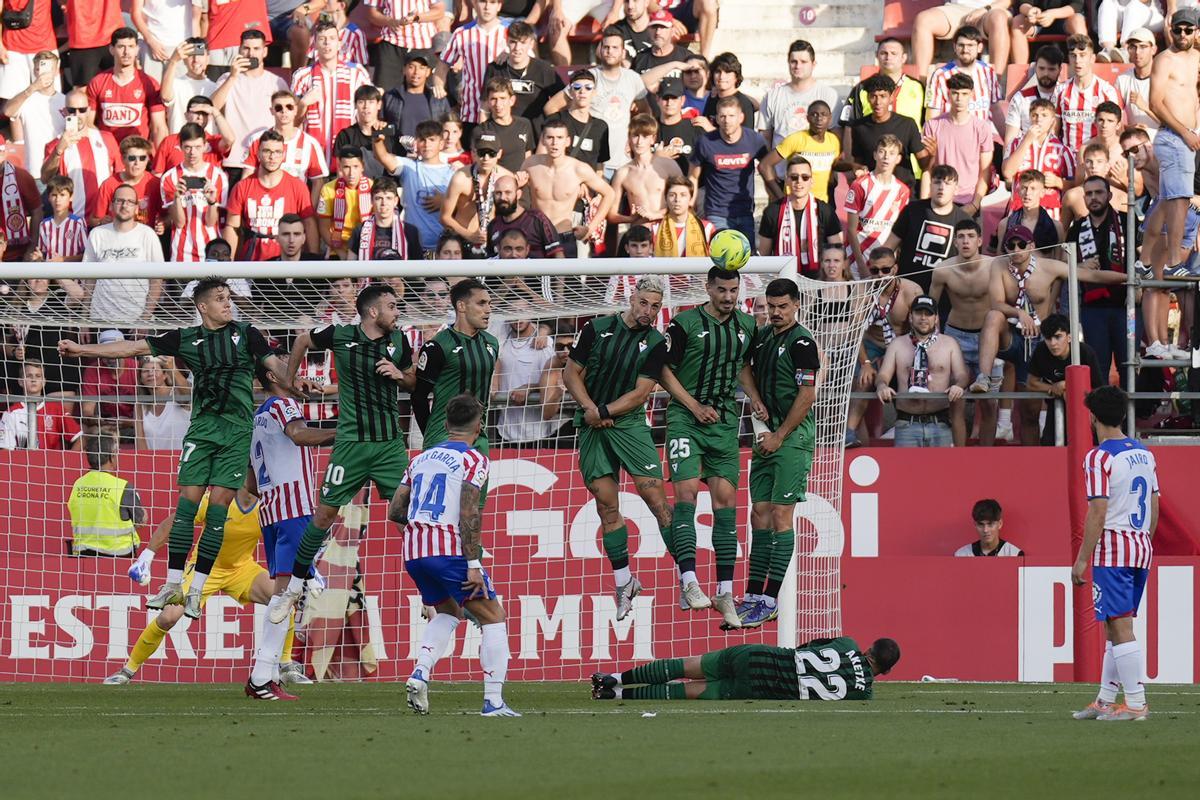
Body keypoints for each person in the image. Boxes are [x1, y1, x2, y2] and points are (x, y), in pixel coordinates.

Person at [58, 278, 295, 619]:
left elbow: (275, 369)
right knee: (186, 507)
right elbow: (132, 348)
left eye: (228, 298)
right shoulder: (185, 338)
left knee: (217, 512)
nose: (228, 304)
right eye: (220, 299)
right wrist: (83, 350)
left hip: (236, 433)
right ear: (203, 307)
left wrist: (297, 383)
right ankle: (173, 584)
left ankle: (196, 590)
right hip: (201, 431)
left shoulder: (248, 334)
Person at [272, 283, 416, 624]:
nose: (398, 312)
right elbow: (304, 340)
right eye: (392, 306)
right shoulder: (340, 334)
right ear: (372, 312)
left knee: (407, 517)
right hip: (350, 444)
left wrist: (400, 375)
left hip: (389, 447)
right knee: (322, 517)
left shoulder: (400, 342)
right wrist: (291, 382)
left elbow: (413, 381)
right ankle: (293, 589)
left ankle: (431, 589)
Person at [105, 485, 304, 698]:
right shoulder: (216, 500)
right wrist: (148, 554)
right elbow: (176, 521)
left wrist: (307, 571)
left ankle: (286, 665)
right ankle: (128, 670)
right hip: (205, 569)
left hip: (242, 568)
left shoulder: (267, 506)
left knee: (283, 599)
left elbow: (288, 540)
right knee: (168, 617)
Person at [391, 393, 520, 717]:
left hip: (414, 550)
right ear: (479, 426)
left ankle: (420, 672)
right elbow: (468, 511)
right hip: (449, 552)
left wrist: (424, 531)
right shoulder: (474, 459)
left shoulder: (420, 459)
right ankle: (493, 702)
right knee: (494, 617)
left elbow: (395, 510)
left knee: (449, 613)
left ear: (446, 424)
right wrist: (473, 563)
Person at [563, 276, 674, 621]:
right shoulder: (596, 329)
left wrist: (605, 412)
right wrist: (590, 411)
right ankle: (624, 582)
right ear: (632, 297)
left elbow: (641, 394)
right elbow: (570, 374)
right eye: (644, 303)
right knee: (606, 505)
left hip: (627, 423)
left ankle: (689, 577)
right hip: (593, 422)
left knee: (654, 496)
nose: (649, 311)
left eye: (656, 306)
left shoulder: (657, 342)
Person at [657, 267, 761, 625]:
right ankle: (688, 581)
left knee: (726, 504)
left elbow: (743, 367)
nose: (729, 297)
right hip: (686, 419)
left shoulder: (747, 326)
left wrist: (755, 398)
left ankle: (725, 592)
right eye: (722, 290)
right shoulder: (684, 324)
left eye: (734, 290)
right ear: (708, 288)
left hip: (724, 424)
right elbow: (663, 370)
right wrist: (693, 406)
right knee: (685, 495)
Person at [246, 360, 337, 699]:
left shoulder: (257, 416)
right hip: (294, 510)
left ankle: (261, 677)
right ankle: (261, 677)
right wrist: (345, 431)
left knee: (283, 597)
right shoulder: (284, 405)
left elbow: (250, 481)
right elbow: (299, 435)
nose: (295, 370)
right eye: (286, 367)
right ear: (272, 377)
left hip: (270, 512)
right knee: (291, 595)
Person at [1072, 385, 1158, 722]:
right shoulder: (1143, 453)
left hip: (1114, 551)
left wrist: (1081, 559)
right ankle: (1106, 700)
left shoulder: (1098, 456)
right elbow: (1154, 503)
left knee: (1120, 625)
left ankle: (1136, 703)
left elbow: (1097, 512)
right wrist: (1144, 541)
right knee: (1114, 623)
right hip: (1139, 547)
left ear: (1092, 416)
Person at [738, 278, 820, 625]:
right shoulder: (762, 336)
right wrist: (755, 398)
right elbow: (742, 367)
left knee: (780, 517)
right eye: (770, 306)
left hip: (792, 438)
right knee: (759, 513)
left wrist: (780, 435)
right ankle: (753, 593)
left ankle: (770, 600)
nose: (775, 312)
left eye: (782, 306)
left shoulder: (803, 343)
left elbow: (807, 396)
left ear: (796, 305)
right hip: (767, 435)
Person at [592, 635, 899, 701]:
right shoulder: (863, 694)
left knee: (686, 665)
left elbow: (808, 648)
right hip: (759, 687)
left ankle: (614, 678)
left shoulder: (847, 645)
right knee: (687, 691)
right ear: (884, 672)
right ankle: (616, 697)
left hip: (756, 656)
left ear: (867, 649)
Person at [411, 279, 499, 464]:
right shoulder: (438, 346)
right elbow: (418, 397)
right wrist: (431, 434)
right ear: (461, 306)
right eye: (481, 303)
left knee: (475, 493)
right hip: (444, 436)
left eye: (489, 303)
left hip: (479, 436)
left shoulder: (491, 343)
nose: (488, 310)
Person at [930, 220, 999, 446]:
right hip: (955, 336)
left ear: (979, 240)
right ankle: (960, 457)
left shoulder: (994, 266)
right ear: (955, 241)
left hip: (986, 339)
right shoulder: (943, 269)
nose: (966, 241)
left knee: (989, 402)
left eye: (971, 236)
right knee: (955, 399)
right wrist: (936, 340)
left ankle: (986, 457)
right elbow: (931, 307)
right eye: (961, 236)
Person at [1148, 10, 1200, 292]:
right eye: (1178, 30)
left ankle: (1144, 260)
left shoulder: (1195, 57)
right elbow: (1155, 103)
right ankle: (1171, 263)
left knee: (1168, 200)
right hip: (1173, 136)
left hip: (1187, 137)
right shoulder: (1164, 60)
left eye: (1188, 30)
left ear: (1196, 32)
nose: (1182, 35)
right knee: (1178, 200)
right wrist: (1184, 132)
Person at [875, 295, 969, 448]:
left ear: (936, 318)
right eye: (919, 313)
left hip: (940, 422)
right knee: (905, 472)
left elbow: (962, 375)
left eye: (928, 313)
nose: (923, 318)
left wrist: (959, 385)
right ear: (911, 317)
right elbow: (883, 375)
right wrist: (882, 386)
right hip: (907, 424)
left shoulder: (949, 344)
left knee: (943, 472)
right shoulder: (897, 344)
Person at [1067, 176, 1130, 382]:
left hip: (1127, 308)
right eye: (1089, 193)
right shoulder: (1076, 230)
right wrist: (1079, 267)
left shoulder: (1127, 221)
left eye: (1099, 192)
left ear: (1110, 195)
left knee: (1129, 365)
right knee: (1098, 368)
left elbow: (1142, 259)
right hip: (1092, 309)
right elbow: (1064, 268)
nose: (1093, 197)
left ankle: (1132, 415)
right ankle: (1100, 414)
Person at [523, 120, 615, 257]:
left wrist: (590, 228)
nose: (554, 143)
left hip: (564, 236)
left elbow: (609, 193)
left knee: (567, 279)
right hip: (536, 236)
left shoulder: (578, 169)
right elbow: (516, 192)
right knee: (533, 279)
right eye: (550, 138)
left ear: (568, 141)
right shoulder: (531, 164)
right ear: (543, 140)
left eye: (559, 138)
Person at [225, 130, 319, 261]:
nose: (272, 157)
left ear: (283, 155)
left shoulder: (297, 186)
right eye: (267, 151)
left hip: (286, 261)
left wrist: (313, 261)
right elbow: (232, 228)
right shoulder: (242, 187)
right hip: (251, 259)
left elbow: (309, 224)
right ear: (258, 154)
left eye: (277, 152)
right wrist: (228, 265)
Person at [291, 20, 372, 165]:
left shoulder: (358, 73)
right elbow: (292, 123)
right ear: (315, 44)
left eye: (332, 39)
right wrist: (303, 104)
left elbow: (370, 113)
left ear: (339, 44)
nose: (327, 43)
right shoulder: (302, 76)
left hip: (350, 157)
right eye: (322, 39)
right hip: (313, 156)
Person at [690, 96, 768, 245]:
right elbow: (693, 176)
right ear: (717, 119)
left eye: (731, 116)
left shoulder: (754, 140)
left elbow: (768, 167)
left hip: (745, 211)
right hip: (716, 212)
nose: (727, 120)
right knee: (721, 258)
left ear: (741, 117)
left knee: (747, 261)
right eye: (723, 116)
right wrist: (690, 206)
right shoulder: (705, 142)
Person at [84, 186, 165, 324]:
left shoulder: (148, 234)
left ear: (136, 207)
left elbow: (157, 281)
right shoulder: (97, 234)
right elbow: (89, 280)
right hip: (101, 318)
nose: (124, 205)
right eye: (120, 200)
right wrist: (84, 319)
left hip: (137, 319)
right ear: (111, 205)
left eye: (130, 201)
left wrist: (144, 319)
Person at [211, 30, 290, 170]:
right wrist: (233, 77)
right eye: (246, 48)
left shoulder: (277, 82)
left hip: (265, 161)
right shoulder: (226, 78)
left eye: (256, 49)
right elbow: (212, 107)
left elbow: (288, 119)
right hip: (234, 160)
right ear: (240, 50)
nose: (251, 54)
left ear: (265, 52)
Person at [756, 40, 840, 171]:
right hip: (783, 177)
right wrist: (770, 173)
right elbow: (765, 138)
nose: (797, 66)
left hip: (819, 176)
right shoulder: (772, 96)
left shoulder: (829, 95)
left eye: (803, 62)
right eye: (793, 61)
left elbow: (837, 136)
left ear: (813, 64)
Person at [885, 164, 970, 291]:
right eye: (937, 182)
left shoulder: (965, 220)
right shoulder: (912, 210)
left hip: (946, 294)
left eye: (947, 183)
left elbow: (970, 263)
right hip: (906, 289)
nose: (941, 187)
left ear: (956, 189)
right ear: (930, 186)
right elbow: (888, 247)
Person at [40, 89, 121, 220]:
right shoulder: (55, 145)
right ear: (64, 111)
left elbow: (120, 177)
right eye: (72, 110)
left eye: (82, 110)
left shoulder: (107, 138)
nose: (77, 114)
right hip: (73, 222)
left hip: (105, 220)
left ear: (88, 110)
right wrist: (59, 150)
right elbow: (45, 178)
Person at [757, 155, 842, 279]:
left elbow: (837, 252)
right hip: (783, 281)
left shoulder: (825, 211)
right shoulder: (772, 212)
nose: (799, 182)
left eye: (805, 177)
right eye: (794, 177)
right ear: (787, 180)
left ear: (811, 181)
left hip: (818, 282)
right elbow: (764, 257)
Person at [1026, 313, 1105, 443]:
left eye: (1058, 337)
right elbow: (1031, 383)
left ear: (1069, 337)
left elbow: (1098, 388)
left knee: (1087, 445)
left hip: (1086, 408)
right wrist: (1053, 387)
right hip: (1056, 407)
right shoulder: (1041, 351)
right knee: (1049, 446)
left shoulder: (1084, 352)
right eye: (1048, 338)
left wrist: (1068, 385)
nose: (1052, 343)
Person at [923, 73, 992, 214]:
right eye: (955, 93)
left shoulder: (982, 128)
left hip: (968, 202)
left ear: (972, 94)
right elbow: (927, 169)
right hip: (937, 200)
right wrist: (924, 203)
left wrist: (975, 205)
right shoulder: (932, 126)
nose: (959, 99)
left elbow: (985, 171)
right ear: (948, 94)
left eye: (964, 94)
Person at [86, 28, 168, 147]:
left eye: (130, 46)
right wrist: (102, 146)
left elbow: (159, 127)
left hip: (138, 154)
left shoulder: (149, 83)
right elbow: (88, 123)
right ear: (112, 49)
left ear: (137, 49)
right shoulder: (97, 82)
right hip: (107, 151)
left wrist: (161, 160)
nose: (126, 52)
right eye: (121, 47)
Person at [842, 75, 926, 190]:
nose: (878, 102)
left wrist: (932, 156)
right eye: (873, 96)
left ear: (891, 97)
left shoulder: (907, 124)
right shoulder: (859, 127)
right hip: (873, 194)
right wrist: (857, 169)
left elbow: (923, 162)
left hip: (904, 193)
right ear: (867, 98)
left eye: (883, 96)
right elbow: (859, 162)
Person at [161, 123, 229, 263]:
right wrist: (177, 198)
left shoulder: (218, 176)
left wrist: (211, 202)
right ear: (180, 147)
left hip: (211, 253)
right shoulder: (169, 177)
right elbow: (179, 223)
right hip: (181, 253)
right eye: (187, 147)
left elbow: (211, 222)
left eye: (197, 147)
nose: (192, 152)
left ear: (205, 146)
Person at [66, 434, 144, 557]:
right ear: (111, 457)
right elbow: (141, 520)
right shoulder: (122, 487)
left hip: (84, 557)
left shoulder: (78, 485)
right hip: (119, 557)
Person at [435, 0, 509, 128]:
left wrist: (510, 54)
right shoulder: (461, 33)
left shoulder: (509, 33)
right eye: (482, 2)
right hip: (471, 112)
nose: (487, 7)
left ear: (499, 6)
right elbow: (443, 65)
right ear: (474, 4)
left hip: (503, 113)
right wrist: (438, 85)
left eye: (492, 2)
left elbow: (527, 63)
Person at [846, 136, 911, 278]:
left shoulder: (903, 191)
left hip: (885, 264)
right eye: (882, 151)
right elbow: (851, 229)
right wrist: (862, 265)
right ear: (875, 155)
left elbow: (899, 231)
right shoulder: (859, 185)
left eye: (892, 153)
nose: (886, 157)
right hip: (857, 261)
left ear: (898, 159)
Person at [494, 316, 562, 445]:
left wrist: (529, 388)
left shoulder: (545, 343)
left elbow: (554, 380)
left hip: (540, 433)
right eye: (513, 312)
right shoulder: (501, 341)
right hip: (505, 431)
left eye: (522, 312)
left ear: (531, 313)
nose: (518, 319)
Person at [440, 132, 511, 255]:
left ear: (499, 154)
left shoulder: (506, 178)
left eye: (491, 153)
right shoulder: (460, 178)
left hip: (493, 242)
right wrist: (470, 235)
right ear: (473, 153)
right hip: (462, 241)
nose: (486, 158)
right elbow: (444, 217)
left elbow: (512, 214)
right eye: (482, 153)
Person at [1001, 99, 1075, 217]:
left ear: (1052, 121)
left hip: (1050, 211)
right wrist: (1027, 140)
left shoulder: (1063, 150)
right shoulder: (1016, 143)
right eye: (1034, 115)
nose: (1038, 119)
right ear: (1029, 118)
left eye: (1044, 115)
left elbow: (1075, 184)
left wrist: (1058, 182)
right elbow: (1007, 172)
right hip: (1019, 208)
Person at [2, 49, 65, 182]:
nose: (43, 74)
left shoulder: (65, 100)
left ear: (56, 69)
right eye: (39, 69)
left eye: (48, 69)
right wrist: (32, 88)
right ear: (34, 70)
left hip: (63, 170)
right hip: (35, 172)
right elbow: (7, 111)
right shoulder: (26, 99)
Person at [759, 100, 840, 203]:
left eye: (823, 115)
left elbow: (835, 164)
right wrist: (781, 199)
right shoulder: (796, 139)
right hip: (795, 204)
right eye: (814, 114)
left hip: (821, 204)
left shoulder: (833, 140)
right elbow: (764, 165)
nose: (819, 119)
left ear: (830, 118)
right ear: (807, 118)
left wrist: (853, 166)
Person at [607, 114, 680, 229]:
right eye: (635, 136)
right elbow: (611, 214)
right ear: (629, 138)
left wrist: (655, 215)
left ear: (653, 139)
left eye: (645, 136)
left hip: (666, 230)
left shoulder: (668, 165)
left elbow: (685, 201)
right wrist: (631, 218)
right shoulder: (622, 173)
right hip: (639, 234)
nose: (639, 142)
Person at [1056, 34, 1123, 157]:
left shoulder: (1106, 91)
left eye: (1082, 55)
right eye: (1073, 56)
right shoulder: (1060, 90)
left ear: (1092, 58)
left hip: (1095, 160)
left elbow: (1116, 130)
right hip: (1067, 158)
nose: (1077, 61)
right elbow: (1054, 130)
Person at [484, 20, 562, 123]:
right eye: (513, 42)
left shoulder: (544, 69)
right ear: (507, 41)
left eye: (523, 42)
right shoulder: (494, 68)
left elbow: (563, 99)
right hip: (501, 134)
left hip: (535, 135)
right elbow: (484, 106)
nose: (517, 48)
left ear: (531, 44)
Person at [842, 38, 925, 134]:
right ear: (876, 55)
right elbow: (848, 125)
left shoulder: (918, 87)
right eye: (883, 53)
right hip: (873, 145)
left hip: (909, 146)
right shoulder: (862, 88)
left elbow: (927, 122)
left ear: (904, 58)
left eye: (894, 53)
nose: (888, 57)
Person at [924, 25, 1004, 125]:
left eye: (970, 45)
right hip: (951, 135)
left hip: (981, 137)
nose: (965, 50)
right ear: (954, 47)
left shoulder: (988, 72)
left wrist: (1007, 140)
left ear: (979, 47)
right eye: (961, 45)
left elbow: (995, 109)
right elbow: (933, 114)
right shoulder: (940, 75)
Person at [911, 2, 1013, 79]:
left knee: (999, 18)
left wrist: (983, 9)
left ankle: (995, 82)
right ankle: (920, 84)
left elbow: (1009, 1)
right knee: (923, 20)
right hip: (954, 8)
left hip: (991, 9)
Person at [382, 49, 452, 156]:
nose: (416, 72)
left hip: (429, 157)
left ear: (428, 72)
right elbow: (381, 126)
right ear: (404, 69)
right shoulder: (391, 97)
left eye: (421, 68)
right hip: (398, 157)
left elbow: (449, 128)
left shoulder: (438, 100)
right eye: (412, 67)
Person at [0, 360, 82, 451]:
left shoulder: (56, 408)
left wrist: (68, 461)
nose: (33, 380)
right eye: (29, 376)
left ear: (44, 381)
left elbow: (80, 438)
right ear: (20, 382)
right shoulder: (10, 413)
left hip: (52, 463)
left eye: (38, 376)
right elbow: (5, 450)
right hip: (22, 463)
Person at [366, 0, 446, 90]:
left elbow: (439, 11)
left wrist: (417, 17)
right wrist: (389, 21)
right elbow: (372, 13)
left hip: (422, 44)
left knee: (423, 94)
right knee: (385, 92)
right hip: (391, 44)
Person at [544, 69, 611, 171]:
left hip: (588, 184)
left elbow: (600, 165)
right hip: (561, 182)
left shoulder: (601, 126)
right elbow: (542, 154)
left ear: (594, 93)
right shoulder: (557, 120)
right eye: (577, 87)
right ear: (570, 92)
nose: (582, 91)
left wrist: (593, 185)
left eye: (588, 88)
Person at [91, 137, 163, 230]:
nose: (137, 163)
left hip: (145, 240)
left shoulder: (155, 183)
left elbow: (167, 217)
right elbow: (93, 220)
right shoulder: (109, 184)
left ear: (148, 160)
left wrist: (162, 224)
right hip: (116, 238)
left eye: (142, 158)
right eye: (132, 158)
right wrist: (101, 221)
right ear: (123, 160)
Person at [153, 95, 236, 174]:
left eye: (204, 114)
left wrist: (214, 111)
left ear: (209, 117)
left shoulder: (214, 141)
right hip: (176, 187)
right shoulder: (169, 141)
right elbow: (157, 173)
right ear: (186, 115)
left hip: (209, 187)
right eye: (196, 112)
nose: (200, 117)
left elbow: (230, 139)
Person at [347, 175, 423, 259]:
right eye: (379, 198)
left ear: (395, 201)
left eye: (388, 198)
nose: (384, 203)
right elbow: (351, 266)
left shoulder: (410, 231)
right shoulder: (359, 230)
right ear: (371, 200)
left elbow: (418, 267)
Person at [1002, 45, 1063, 149]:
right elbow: (1009, 143)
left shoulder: (1066, 96)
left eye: (1051, 69)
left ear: (1060, 69)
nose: (1046, 74)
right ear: (1035, 67)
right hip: (1027, 157)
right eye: (1042, 68)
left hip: (1058, 157)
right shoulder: (1020, 98)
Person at [315, 147, 372, 258]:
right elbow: (323, 227)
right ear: (340, 167)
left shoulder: (372, 187)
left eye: (356, 167)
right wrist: (341, 254)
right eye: (346, 167)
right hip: (337, 248)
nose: (351, 173)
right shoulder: (328, 189)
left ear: (363, 167)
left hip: (366, 246)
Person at [488, 174, 562, 258]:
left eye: (508, 192)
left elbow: (557, 253)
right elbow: (490, 260)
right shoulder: (493, 225)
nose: (503, 197)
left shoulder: (536, 220)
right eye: (498, 193)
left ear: (518, 194)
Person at [476, 77, 535, 173]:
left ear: (512, 100)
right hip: (496, 185)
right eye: (493, 99)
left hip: (521, 183)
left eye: (502, 98)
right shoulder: (482, 130)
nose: (498, 104)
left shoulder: (524, 124)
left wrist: (525, 177)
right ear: (488, 102)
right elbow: (482, 165)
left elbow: (528, 154)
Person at [133, 355, 190, 452]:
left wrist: (173, 369)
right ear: (141, 379)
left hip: (183, 462)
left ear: (165, 375)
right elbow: (140, 439)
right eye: (145, 371)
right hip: (155, 463)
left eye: (155, 370)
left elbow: (187, 395)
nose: (150, 373)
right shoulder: (139, 404)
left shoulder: (176, 393)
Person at [159, 40, 218, 134]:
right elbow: (165, 96)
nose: (196, 60)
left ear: (208, 58)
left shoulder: (216, 88)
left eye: (200, 54)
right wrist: (173, 61)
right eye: (191, 55)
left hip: (208, 145)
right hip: (179, 144)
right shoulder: (175, 83)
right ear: (184, 59)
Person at [0, 133, 41, 260]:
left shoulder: (22, 177)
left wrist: (31, 247)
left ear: (4, 152)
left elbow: (37, 212)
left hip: (17, 253)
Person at [1010, 1, 1089, 67]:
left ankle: (1084, 69)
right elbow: (1023, 4)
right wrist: (1030, 11)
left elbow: (1076, 5)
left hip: (1065, 17)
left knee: (1077, 21)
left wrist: (1053, 14)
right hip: (1036, 19)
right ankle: (1020, 73)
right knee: (1017, 22)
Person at [28, 176, 87, 263]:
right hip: (48, 273)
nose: (58, 200)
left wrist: (64, 259)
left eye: (62, 195)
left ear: (71, 197)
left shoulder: (77, 223)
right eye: (54, 195)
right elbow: (43, 254)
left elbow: (86, 254)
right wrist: (39, 258)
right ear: (48, 198)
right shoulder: (44, 224)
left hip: (70, 273)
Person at [652, 175, 714, 256]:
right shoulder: (655, 228)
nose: (677, 200)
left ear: (691, 199)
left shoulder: (707, 228)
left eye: (683, 195)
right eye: (672, 195)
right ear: (665, 198)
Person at [1115, 27, 1159, 138]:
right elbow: (1113, 119)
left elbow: (1174, 126)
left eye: (1143, 47)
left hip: (1162, 140)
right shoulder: (1122, 79)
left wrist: (1146, 108)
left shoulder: (1165, 78)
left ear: (1153, 50)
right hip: (1134, 140)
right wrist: (1129, 128)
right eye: (1133, 47)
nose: (1137, 52)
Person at [654, 76, 697, 175]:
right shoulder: (648, 128)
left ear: (682, 100)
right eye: (665, 98)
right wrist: (655, 158)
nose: (669, 103)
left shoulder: (695, 128)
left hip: (687, 186)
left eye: (674, 98)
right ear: (657, 99)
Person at [954, 498, 1025, 556]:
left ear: (1000, 524)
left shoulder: (1014, 554)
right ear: (975, 525)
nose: (985, 530)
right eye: (981, 524)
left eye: (990, 524)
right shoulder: (962, 555)